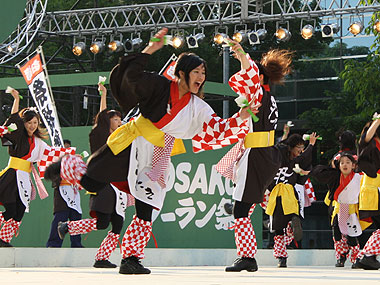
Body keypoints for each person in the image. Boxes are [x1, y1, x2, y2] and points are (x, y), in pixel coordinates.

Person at [49, 27, 258, 275]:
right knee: (93, 180)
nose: (201, 76)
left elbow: (216, 127)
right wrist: (151, 48)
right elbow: (130, 77)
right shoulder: (160, 86)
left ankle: (130, 258)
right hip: (134, 143)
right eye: (196, 72)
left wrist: (240, 116)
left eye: (203, 73)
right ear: (182, 73)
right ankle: (67, 170)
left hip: (159, 152)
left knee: (148, 207)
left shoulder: (197, 106)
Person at [214, 42, 293, 272]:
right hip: (265, 154)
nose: (245, 81)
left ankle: (247, 256)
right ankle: (249, 246)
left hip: (256, 154)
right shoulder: (268, 97)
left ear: (258, 79)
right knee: (244, 205)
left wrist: (241, 56)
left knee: (239, 210)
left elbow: (249, 74)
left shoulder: (259, 94)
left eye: (251, 78)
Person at [52, 83, 130, 268]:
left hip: (117, 187)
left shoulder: (122, 137)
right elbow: (102, 119)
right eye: (115, 118)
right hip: (102, 184)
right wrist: (103, 95)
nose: (119, 121)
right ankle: (67, 227)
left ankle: (102, 258)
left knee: (117, 224)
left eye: (120, 118)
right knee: (102, 222)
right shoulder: (100, 136)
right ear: (107, 121)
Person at [0, 89, 52, 246]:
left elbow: (50, 154)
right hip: (12, 176)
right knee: (10, 210)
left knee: (20, 211)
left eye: (35, 123)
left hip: (24, 178)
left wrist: (70, 157)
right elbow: (13, 120)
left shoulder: (38, 142)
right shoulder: (19, 136)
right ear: (24, 123)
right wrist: (16, 99)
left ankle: (3, 239)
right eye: (29, 122)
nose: (32, 125)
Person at [265, 133, 318, 267]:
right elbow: (306, 159)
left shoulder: (275, 161)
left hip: (276, 195)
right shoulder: (295, 162)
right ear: (291, 148)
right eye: (298, 148)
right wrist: (311, 145)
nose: (300, 151)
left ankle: (282, 258)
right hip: (289, 193)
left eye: (302, 147)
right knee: (292, 215)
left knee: (278, 229)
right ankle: (293, 222)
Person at [306, 153, 366, 268]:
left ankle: (355, 258)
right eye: (342, 163)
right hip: (339, 208)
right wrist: (333, 164)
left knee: (352, 235)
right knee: (337, 233)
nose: (345, 165)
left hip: (352, 209)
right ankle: (341, 256)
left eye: (348, 162)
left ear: (353, 165)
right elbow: (319, 173)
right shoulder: (335, 176)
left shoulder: (360, 177)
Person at [45, 139, 83, 248]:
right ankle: (53, 244)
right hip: (61, 192)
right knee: (60, 217)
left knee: (76, 218)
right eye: (64, 149)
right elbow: (49, 175)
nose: (67, 151)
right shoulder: (55, 165)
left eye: (68, 148)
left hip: (74, 192)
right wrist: (61, 163)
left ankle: (76, 244)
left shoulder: (75, 161)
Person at [356, 116, 380, 270]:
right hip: (373, 187)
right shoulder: (370, 144)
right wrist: (377, 121)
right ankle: (367, 256)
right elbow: (365, 139)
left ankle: (365, 256)